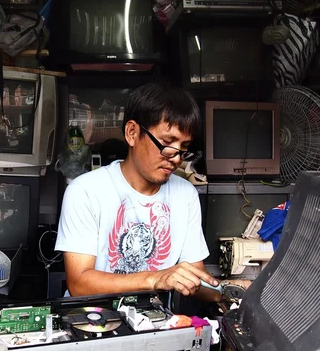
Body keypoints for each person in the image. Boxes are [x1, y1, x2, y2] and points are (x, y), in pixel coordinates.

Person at [55, 82, 247, 300]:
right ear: (132, 133)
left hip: (154, 323)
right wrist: (155, 278)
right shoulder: (85, 191)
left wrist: (231, 289)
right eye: (167, 143)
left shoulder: (185, 195)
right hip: (92, 320)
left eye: (183, 148)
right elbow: (79, 284)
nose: (176, 158)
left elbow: (195, 279)